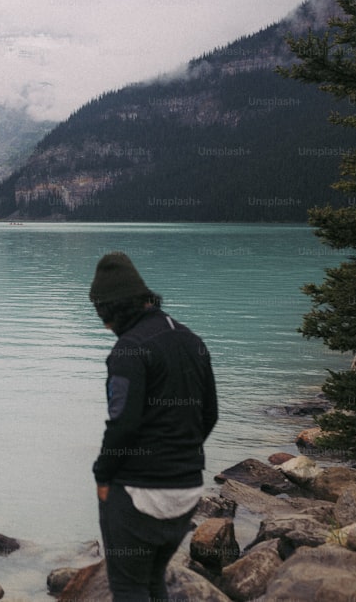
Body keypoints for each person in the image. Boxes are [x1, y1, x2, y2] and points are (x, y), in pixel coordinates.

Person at [88, 252, 218, 602]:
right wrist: (180, 455)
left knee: (129, 587)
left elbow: (123, 426)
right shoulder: (192, 340)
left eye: (102, 313)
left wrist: (102, 475)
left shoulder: (128, 351)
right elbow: (210, 415)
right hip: (188, 488)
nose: (104, 325)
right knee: (153, 581)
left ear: (113, 308)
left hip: (140, 494)